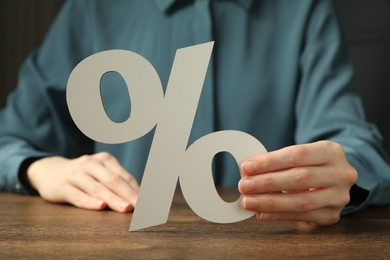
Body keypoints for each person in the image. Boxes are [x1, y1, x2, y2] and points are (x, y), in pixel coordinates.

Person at [1, 0, 389, 227]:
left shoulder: (303, 9)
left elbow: (353, 144)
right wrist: (39, 168)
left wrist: (341, 178)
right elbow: (8, 140)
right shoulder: (91, 8)